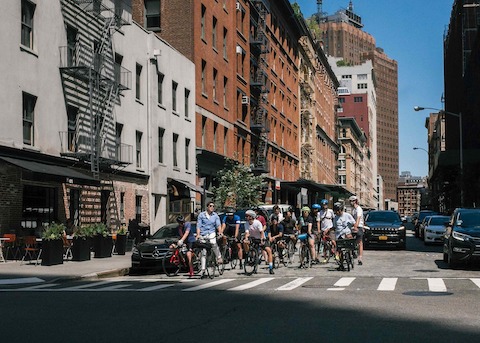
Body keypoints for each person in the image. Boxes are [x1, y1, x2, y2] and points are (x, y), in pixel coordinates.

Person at [243, 209, 274, 274]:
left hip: (260, 238)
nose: (246, 217)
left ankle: (271, 267)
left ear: (251, 217)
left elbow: (261, 232)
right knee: (245, 243)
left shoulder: (257, 223)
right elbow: (247, 233)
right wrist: (246, 239)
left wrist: (262, 240)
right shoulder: (246, 224)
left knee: (268, 250)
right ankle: (249, 256)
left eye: (247, 216)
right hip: (253, 239)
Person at [196, 201, 222, 278]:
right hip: (203, 233)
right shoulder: (201, 215)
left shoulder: (215, 215)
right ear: (207, 207)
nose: (212, 207)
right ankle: (203, 269)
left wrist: (220, 232)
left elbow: (218, 225)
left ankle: (219, 257)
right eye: (211, 206)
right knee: (203, 252)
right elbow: (198, 226)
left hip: (211, 232)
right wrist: (198, 234)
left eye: (213, 206)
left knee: (213, 243)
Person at [333, 202, 355, 270]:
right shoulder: (335, 218)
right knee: (340, 250)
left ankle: (351, 254)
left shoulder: (347, 215)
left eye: (338, 211)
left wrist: (353, 227)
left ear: (341, 210)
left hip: (347, 233)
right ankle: (341, 264)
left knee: (349, 242)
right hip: (339, 235)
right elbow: (334, 227)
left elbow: (353, 223)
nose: (337, 212)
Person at [349, 195, 365, 265]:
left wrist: (356, 226)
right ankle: (352, 254)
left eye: (351, 201)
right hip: (353, 226)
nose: (350, 203)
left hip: (358, 226)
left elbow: (358, 218)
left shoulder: (358, 209)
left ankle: (360, 258)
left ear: (355, 201)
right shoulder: (353, 210)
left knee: (360, 242)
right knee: (349, 240)